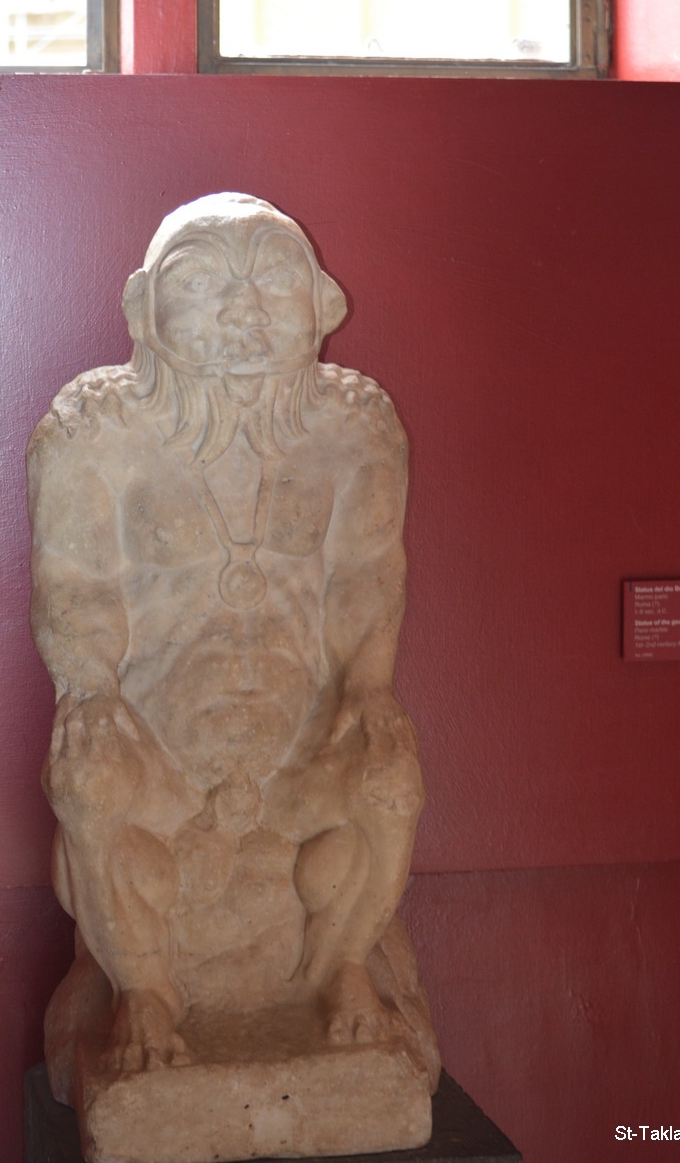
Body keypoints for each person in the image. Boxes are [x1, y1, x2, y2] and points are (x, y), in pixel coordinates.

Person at [28, 193, 438, 1099]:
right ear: (142, 309)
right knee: (87, 782)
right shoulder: (92, 431)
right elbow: (74, 582)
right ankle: (145, 993)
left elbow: (368, 574)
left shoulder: (356, 427)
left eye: (272, 283)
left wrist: (369, 688)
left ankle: (340, 969)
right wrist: (88, 686)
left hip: (301, 747)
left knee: (389, 781)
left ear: (324, 306)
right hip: (163, 753)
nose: (242, 310)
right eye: (203, 283)